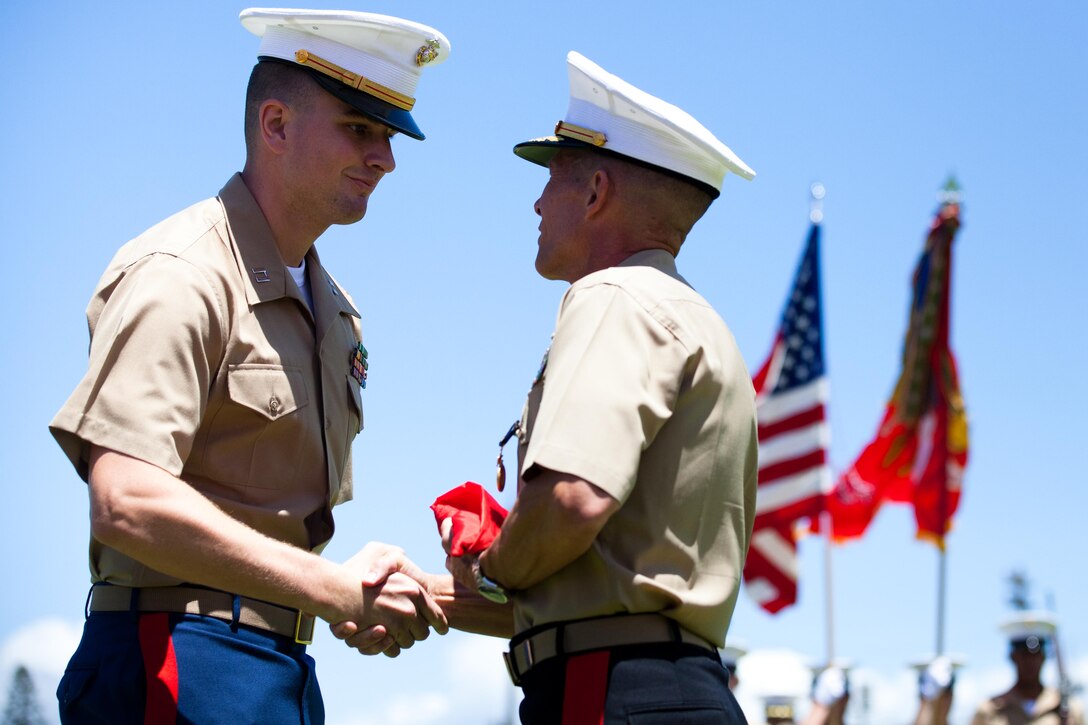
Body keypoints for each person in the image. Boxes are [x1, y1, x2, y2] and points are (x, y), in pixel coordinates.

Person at [49, 8, 453, 722]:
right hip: (172, 662)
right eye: (361, 129)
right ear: (275, 125)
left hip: (280, 668)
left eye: (388, 136)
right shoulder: (180, 273)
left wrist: (362, 590)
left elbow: (279, 527)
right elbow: (125, 500)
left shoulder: (336, 312)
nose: (385, 158)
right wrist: (330, 586)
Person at [440, 50, 759, 723]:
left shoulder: (613, 295)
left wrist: (494, 565)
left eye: (553, 174)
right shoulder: (697, 318)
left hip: (607, 690)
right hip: (666, 685)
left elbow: (572, 499)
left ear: (595, 193)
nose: (536, 199)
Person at [972, 612, 1085, 725]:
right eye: (1024, 655)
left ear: (1044, 656)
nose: (1030, 662)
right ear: (1013, 657)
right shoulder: (989, 710)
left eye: (1035, 655)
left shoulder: (1070, 709)